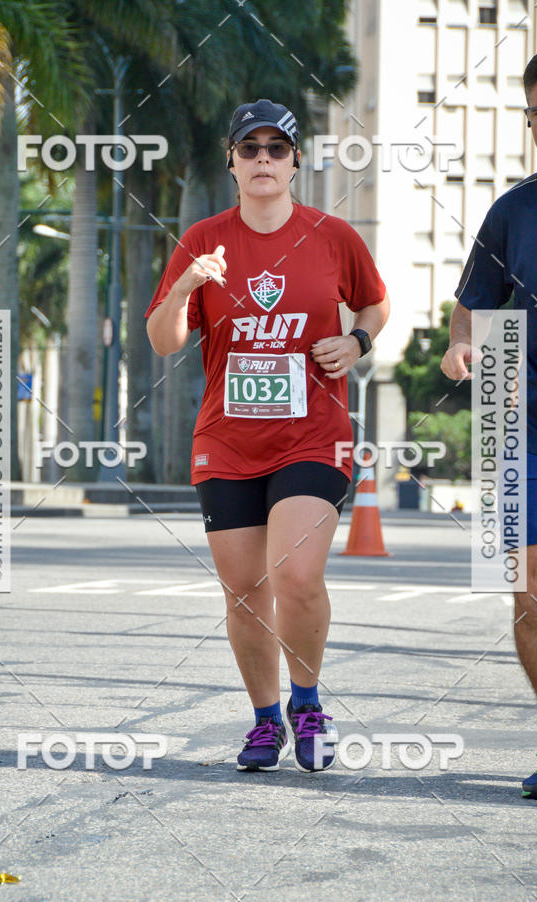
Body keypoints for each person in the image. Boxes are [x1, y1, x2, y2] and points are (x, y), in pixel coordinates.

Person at [146, 99, 389, 772]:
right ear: (230, 160)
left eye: (275, 149)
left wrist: (357, 340)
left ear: (294, 161)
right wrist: (184, 287)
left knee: (296, 575)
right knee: (245, 590)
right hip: (227, 442)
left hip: (313, 435)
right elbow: (164, 341)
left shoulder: (333, 235)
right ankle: (263, 720)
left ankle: (307, 702)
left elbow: (375, 299)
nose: (262, 160)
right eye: (248, 149)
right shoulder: (201, 240)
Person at [441, 52, 537, 798]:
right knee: (530, 592)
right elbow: (472, 301)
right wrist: (459, 343)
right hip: (526, 426)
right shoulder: (513, 210)